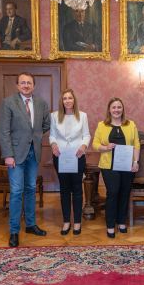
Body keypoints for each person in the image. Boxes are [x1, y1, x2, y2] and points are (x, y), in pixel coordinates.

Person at [0, 72, 50, 248]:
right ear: (17, 85)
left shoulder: (41, 103)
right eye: (23, 83)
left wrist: (35, 136)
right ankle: (14, 231)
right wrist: (8, 155)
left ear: (34, 85)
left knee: (30, 189)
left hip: (33, 153)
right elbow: (4, 131)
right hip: (15, 155)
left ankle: (30, 225)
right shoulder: (8, 103)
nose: (26, 85)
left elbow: (46, 124)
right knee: (16, 191)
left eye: (29, 83)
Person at [93, 98, 140, 238]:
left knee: (125, 193)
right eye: (114, 107)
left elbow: (136, 144)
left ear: (122, 109)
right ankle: (110, 224)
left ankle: (121, 221)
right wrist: (105, 147)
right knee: (113, 193)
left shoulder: (131, 125)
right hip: (108, 166)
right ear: (109, 109)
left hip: (127, 166)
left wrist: (136, 162)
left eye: (119, 107)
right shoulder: (102, 125)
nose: (116, 110)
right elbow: (94, 144)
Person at [49, 89, 91, 236]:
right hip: (60, 156)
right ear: (62, 101)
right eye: (65, 98)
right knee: (64, 189)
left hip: (77, 156)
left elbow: (86, 135)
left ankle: (77, 222)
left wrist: (84, 146)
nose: (67, 100)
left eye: (70, 98)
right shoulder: (54, 116)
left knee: (77, 189)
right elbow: (52, 135)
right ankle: (66, 221)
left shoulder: (83, 116)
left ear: (74, 100)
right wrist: (53, 145)